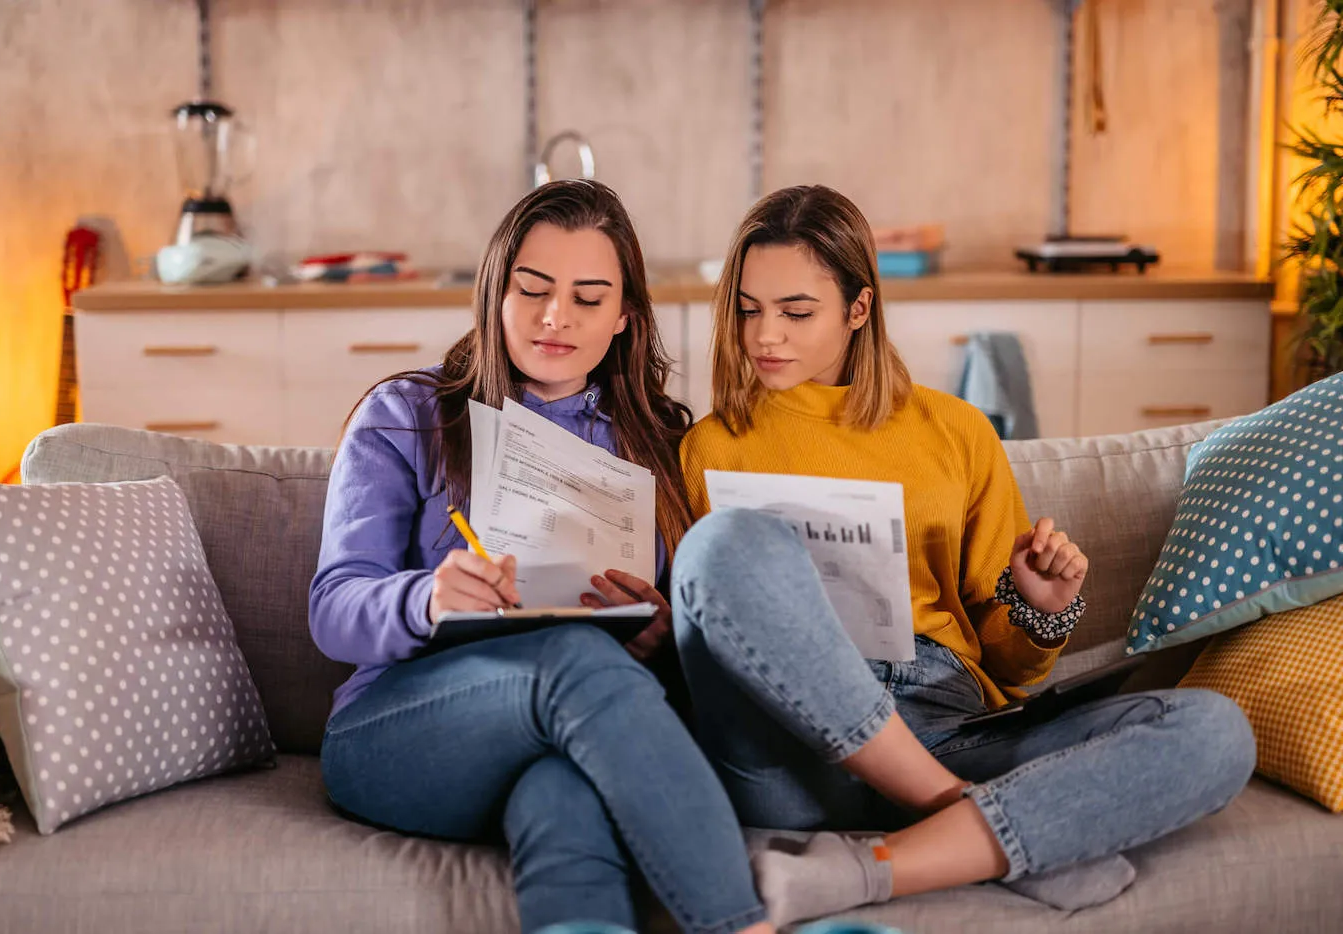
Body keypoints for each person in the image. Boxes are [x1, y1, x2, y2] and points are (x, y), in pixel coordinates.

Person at [663, 185, 1256, 925]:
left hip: (949, 727)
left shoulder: (955, 431)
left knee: (1214, 732)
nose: (764, 336)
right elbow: (703, 624)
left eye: (795, 312)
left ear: (859, 308)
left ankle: (871, 870)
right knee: (723, 546)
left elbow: (1009, 671)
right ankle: (976, 821)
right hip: (790, 756)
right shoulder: (708, 447)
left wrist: (1040, 612)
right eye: (748, 310)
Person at [309, 180, 773, 934]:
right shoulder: (406, 416)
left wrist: (661, 636)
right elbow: (333, 611)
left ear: (625, 318)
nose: (557, 317)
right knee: (571, 657)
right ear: (496, 293)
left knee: (565, 793)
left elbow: (685, 648)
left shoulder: (660, 444)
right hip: (398, 732)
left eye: (589, 299)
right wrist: (428, 597)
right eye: (533, 290)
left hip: (564, 731)